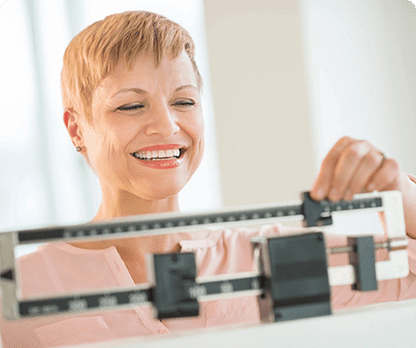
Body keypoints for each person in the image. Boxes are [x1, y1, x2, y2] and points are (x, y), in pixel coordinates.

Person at [2, 10, 416, 348]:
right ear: (76, 129)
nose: (166, 126)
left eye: (184, 100)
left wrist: (399, 189)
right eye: (130, 106)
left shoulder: (267, 255)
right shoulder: (18, 289)